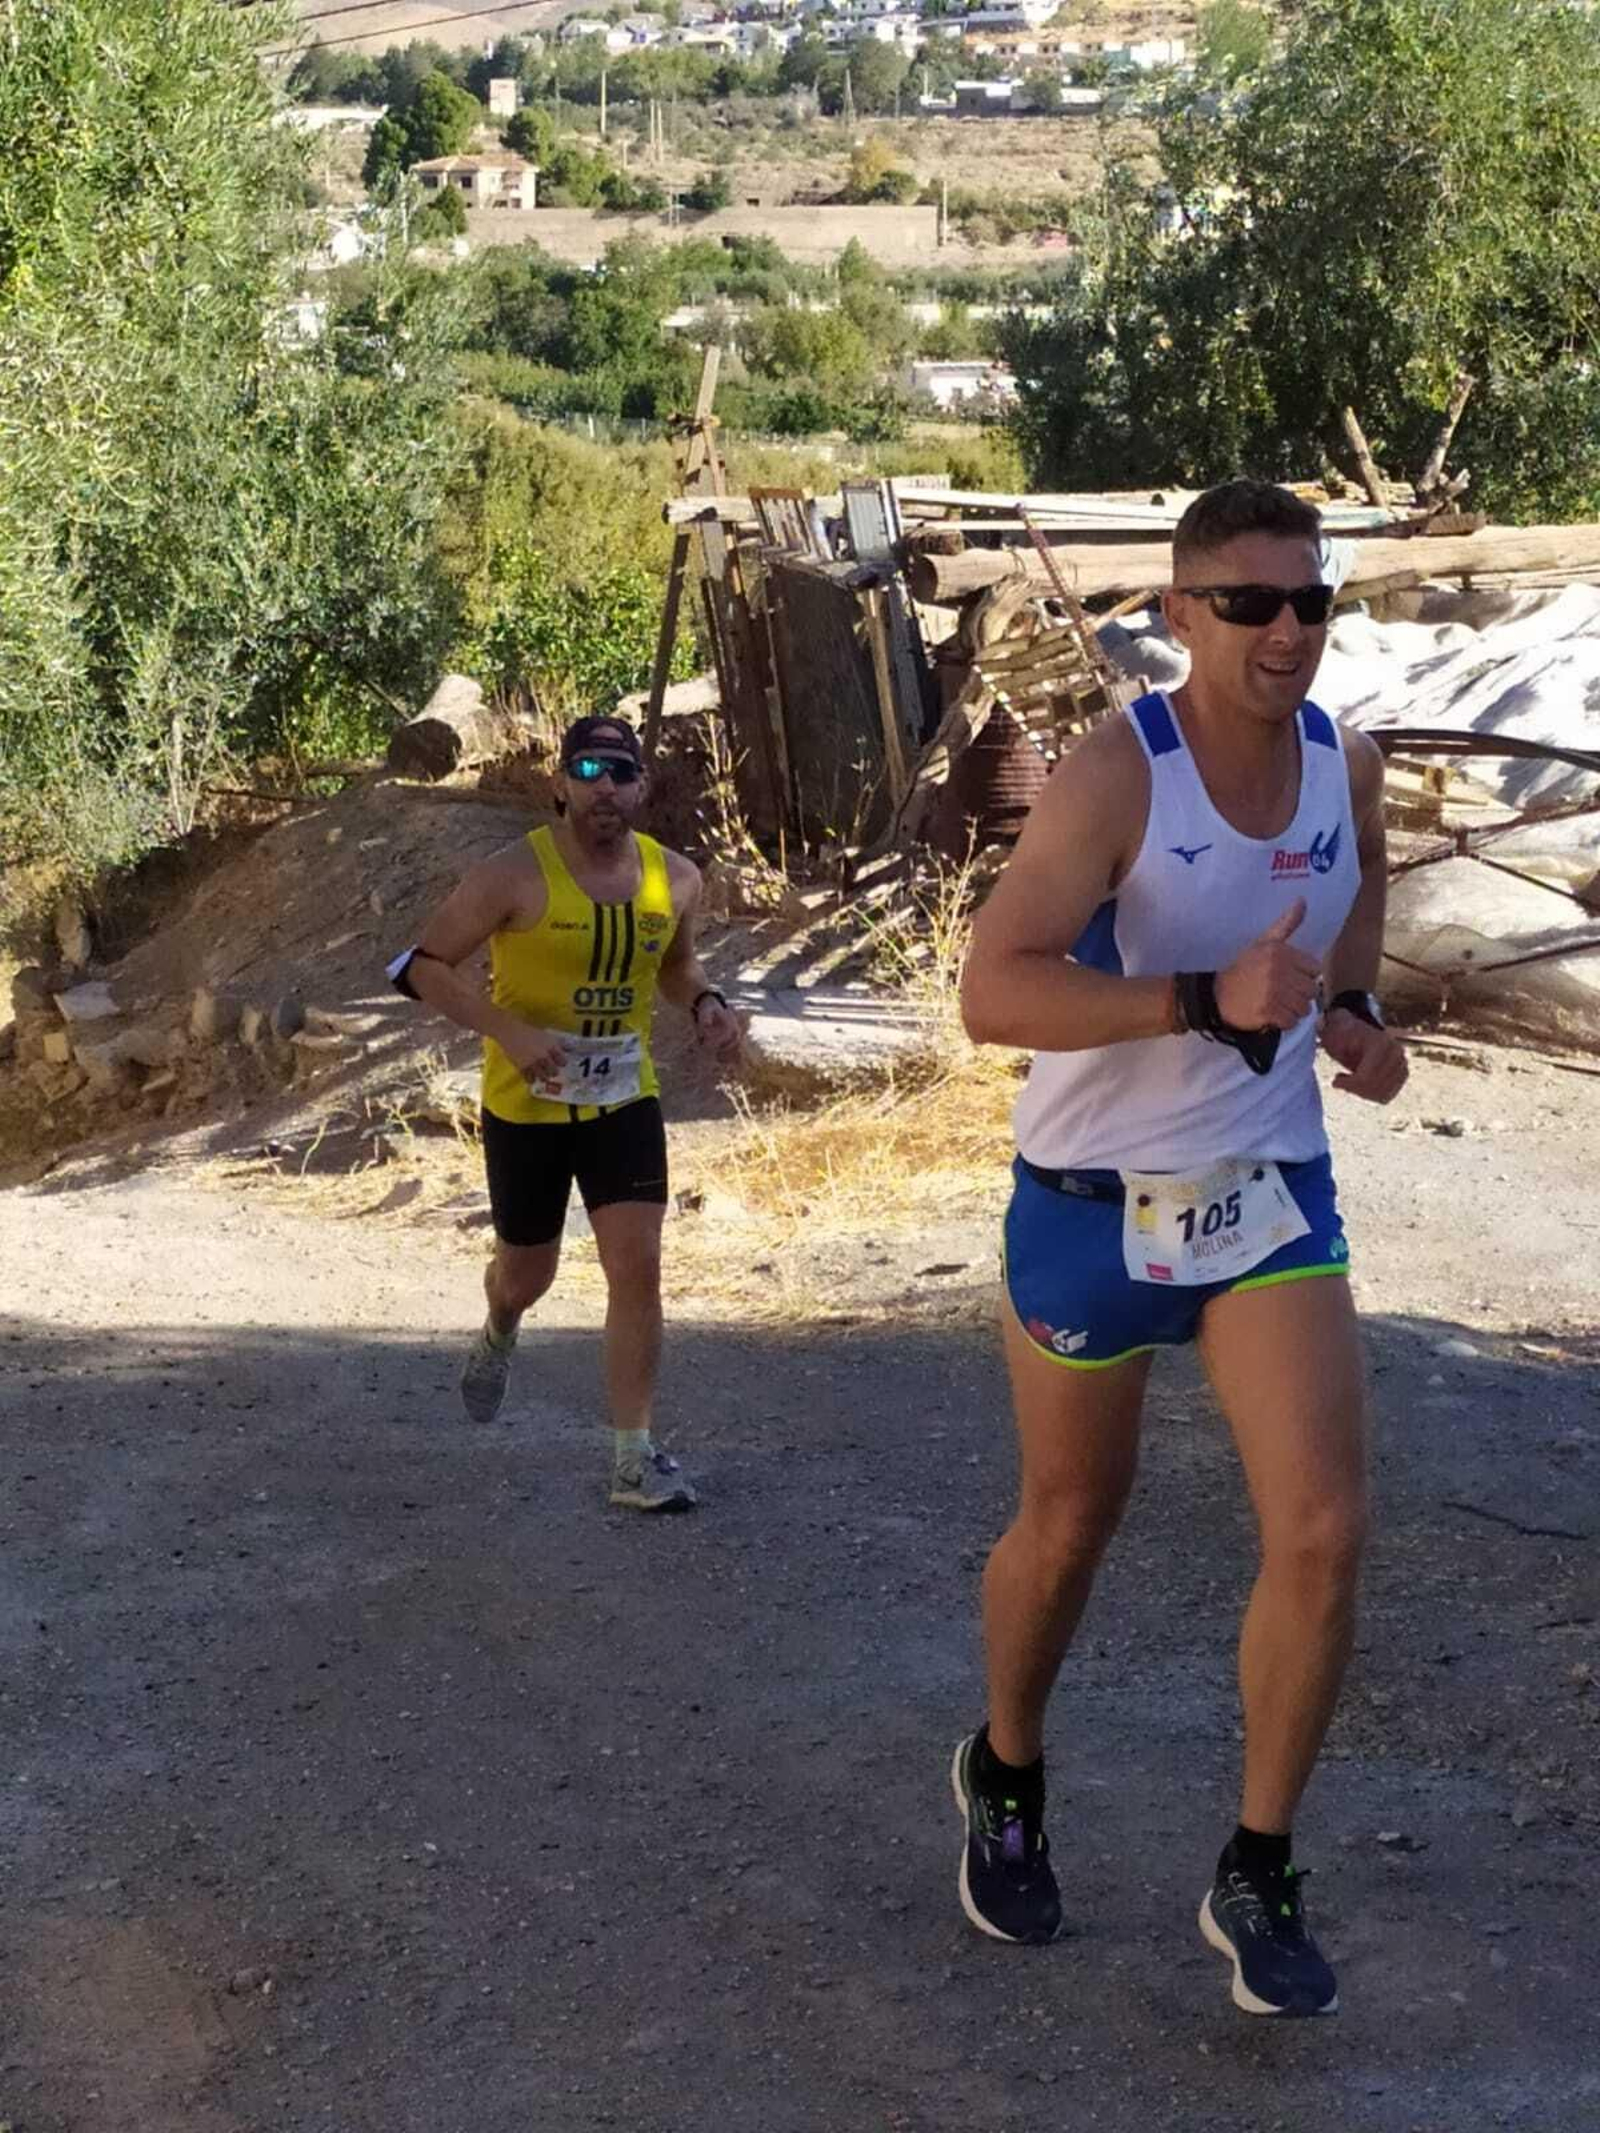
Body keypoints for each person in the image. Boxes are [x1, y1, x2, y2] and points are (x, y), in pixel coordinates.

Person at [953, 480, 1409, 2016]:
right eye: (1250, 605)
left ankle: (1258, 1866)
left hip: (1268, 1189)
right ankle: (1006, 1763)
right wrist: (1201, 1000)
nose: (1287, 634)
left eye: (1311, 605)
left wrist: (1355, 1017)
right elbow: (993, 993)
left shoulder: (1348, 762)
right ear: (1180, 612)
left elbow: (1355, 912)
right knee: (1071, 1526)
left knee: (1326, 1527)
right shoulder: (1117, 777)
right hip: (1091, 1202)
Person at [388, 714, 742, 1511]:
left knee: (637, 1268)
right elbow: (418, 965)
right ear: (560, 787)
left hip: (622, 1097)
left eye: (618, 773)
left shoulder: (676, 878)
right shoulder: (512, 875)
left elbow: (677, 968)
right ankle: (499, 1323)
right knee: (529, 1272)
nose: (603, 789)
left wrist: (708, 1003)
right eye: (586, 772)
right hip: (527, 1106)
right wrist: (506, 1030)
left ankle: (632, 1457)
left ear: (643, 787)